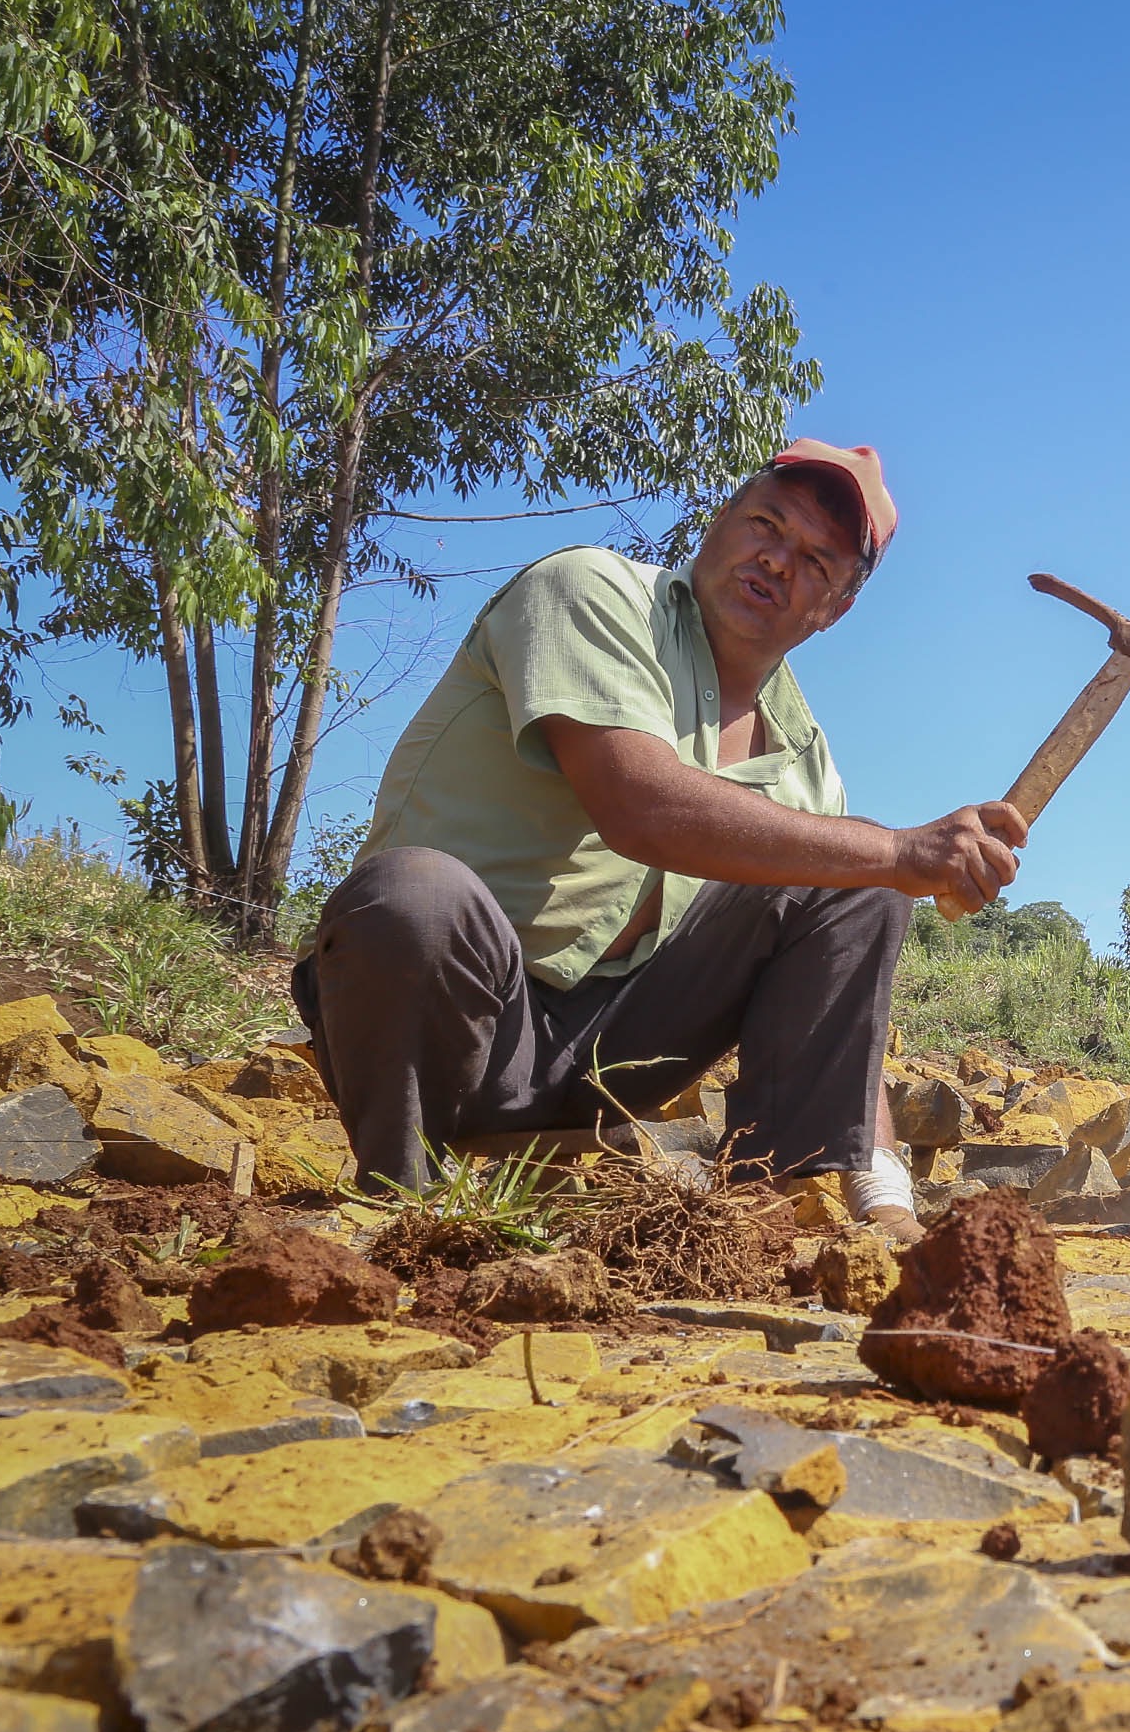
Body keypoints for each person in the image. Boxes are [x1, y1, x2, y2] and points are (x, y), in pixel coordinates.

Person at [296, 440, 1025, 1231]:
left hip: (610, 1063)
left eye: (816, 560)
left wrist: (887, 1205)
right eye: (765, 524)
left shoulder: (803, 757)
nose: (777, 561)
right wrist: (901, 852)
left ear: (838, 606)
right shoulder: (590, 592)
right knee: (415, 896)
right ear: (719, 522)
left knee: (851, 875)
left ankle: (764, 1215)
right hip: (451, 1024)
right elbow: (636, 805)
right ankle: (402, 1204)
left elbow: (846, 1007)